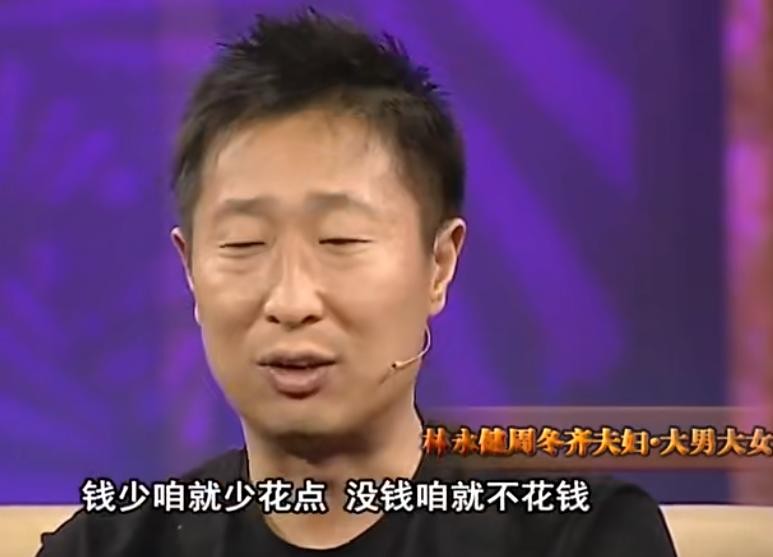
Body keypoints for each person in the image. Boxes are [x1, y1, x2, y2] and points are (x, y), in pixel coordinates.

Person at [39, 8, 677, 556]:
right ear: (190, 271)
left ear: (439, 264)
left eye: (340, 240)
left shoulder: (575, 535)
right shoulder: (109, 545)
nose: (291, 301)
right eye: (243, 244)